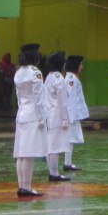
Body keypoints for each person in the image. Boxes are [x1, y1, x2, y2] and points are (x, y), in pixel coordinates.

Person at [13, 44, 47, 197]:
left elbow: (19, 97)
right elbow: (39, 98)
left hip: (22, 114)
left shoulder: (19, 72)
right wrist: (42, 118)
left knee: (21, 153)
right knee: (29, 153)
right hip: (33, 115)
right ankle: (26, 186)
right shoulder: (35, 73)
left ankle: (21, 185)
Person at [42, 51, 73, 182]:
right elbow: (62, 101)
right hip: (57, 114)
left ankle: (53, 171)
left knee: (51, 145)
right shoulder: (59, 78)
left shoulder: (48, 77)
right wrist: (65, 118)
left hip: (48, 113)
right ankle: (54, 173)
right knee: (55, 146)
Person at [63, 55, 89, 172]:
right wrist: (71, 117)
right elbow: (71, 99)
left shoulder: (71, 78)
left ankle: (68, 162)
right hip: (71, 114)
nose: (82, 67)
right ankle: (67, 163)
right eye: (80, 65)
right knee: (70, 138)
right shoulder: (71, 79)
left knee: (71, 139)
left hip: (72, 114)